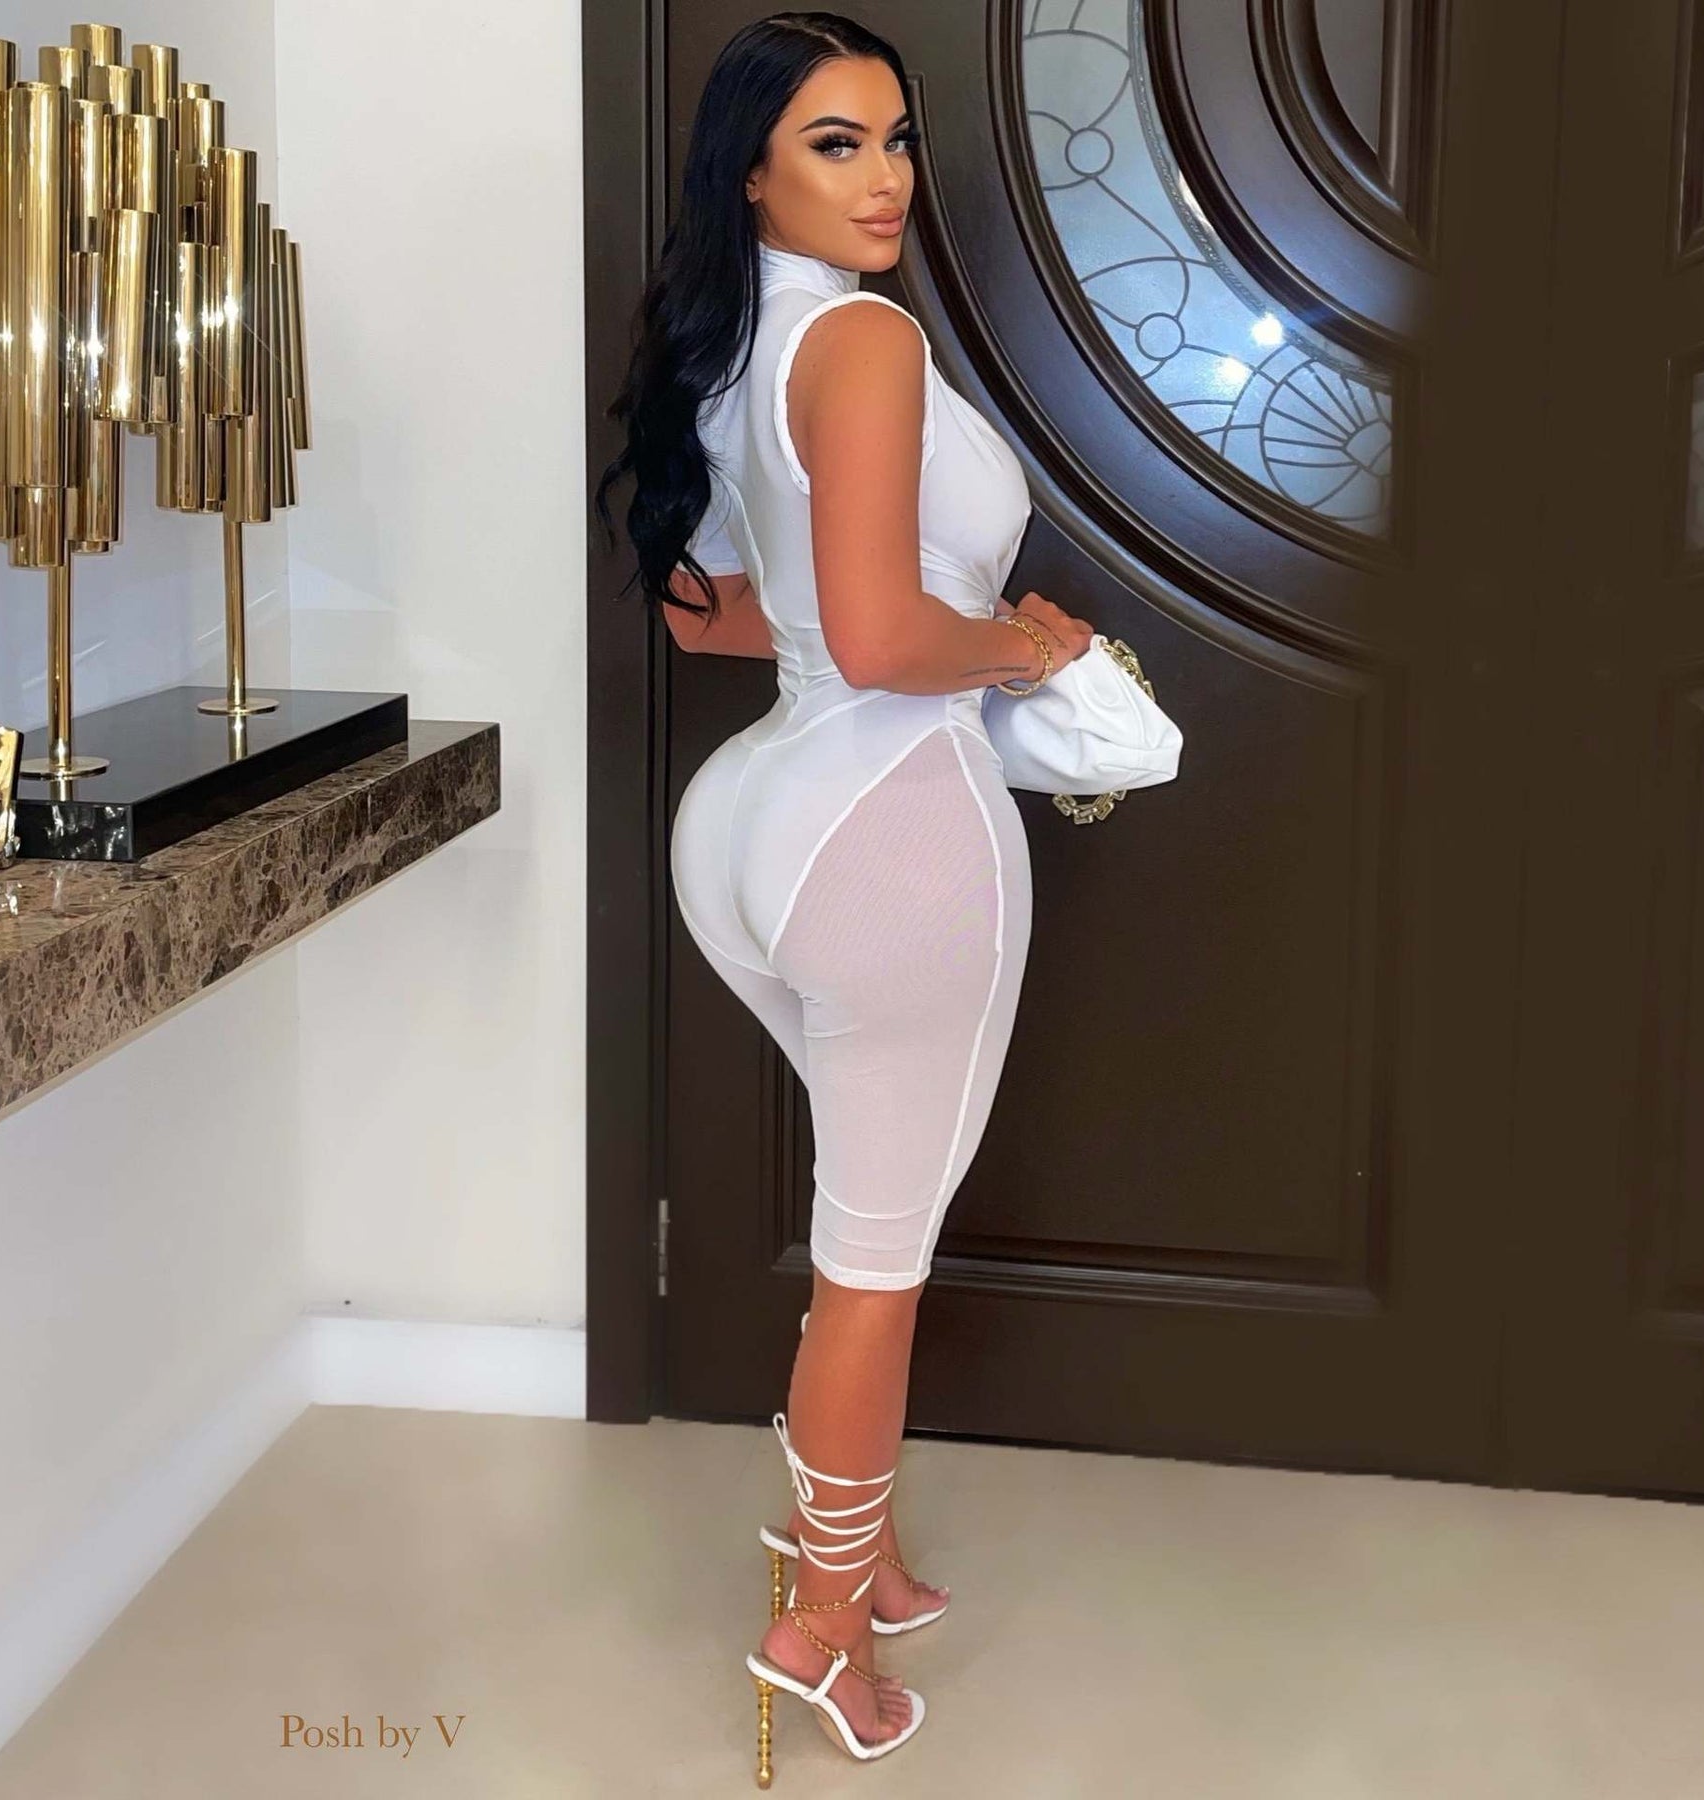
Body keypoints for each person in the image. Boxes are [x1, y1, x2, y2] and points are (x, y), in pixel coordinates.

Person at [594, 10, 1094, 1777]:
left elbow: (718, 615)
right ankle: (817, 1627)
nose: (885, 179)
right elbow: (882, 641)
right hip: (891, 831)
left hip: (753, 824)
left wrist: (925, 636)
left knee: (868, 1211)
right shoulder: (866, 342)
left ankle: (855, 1550)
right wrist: (1025, 647)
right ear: (752, 169)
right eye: (835, 143)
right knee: (878, 1255)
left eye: (895, 140)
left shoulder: (738, 345)